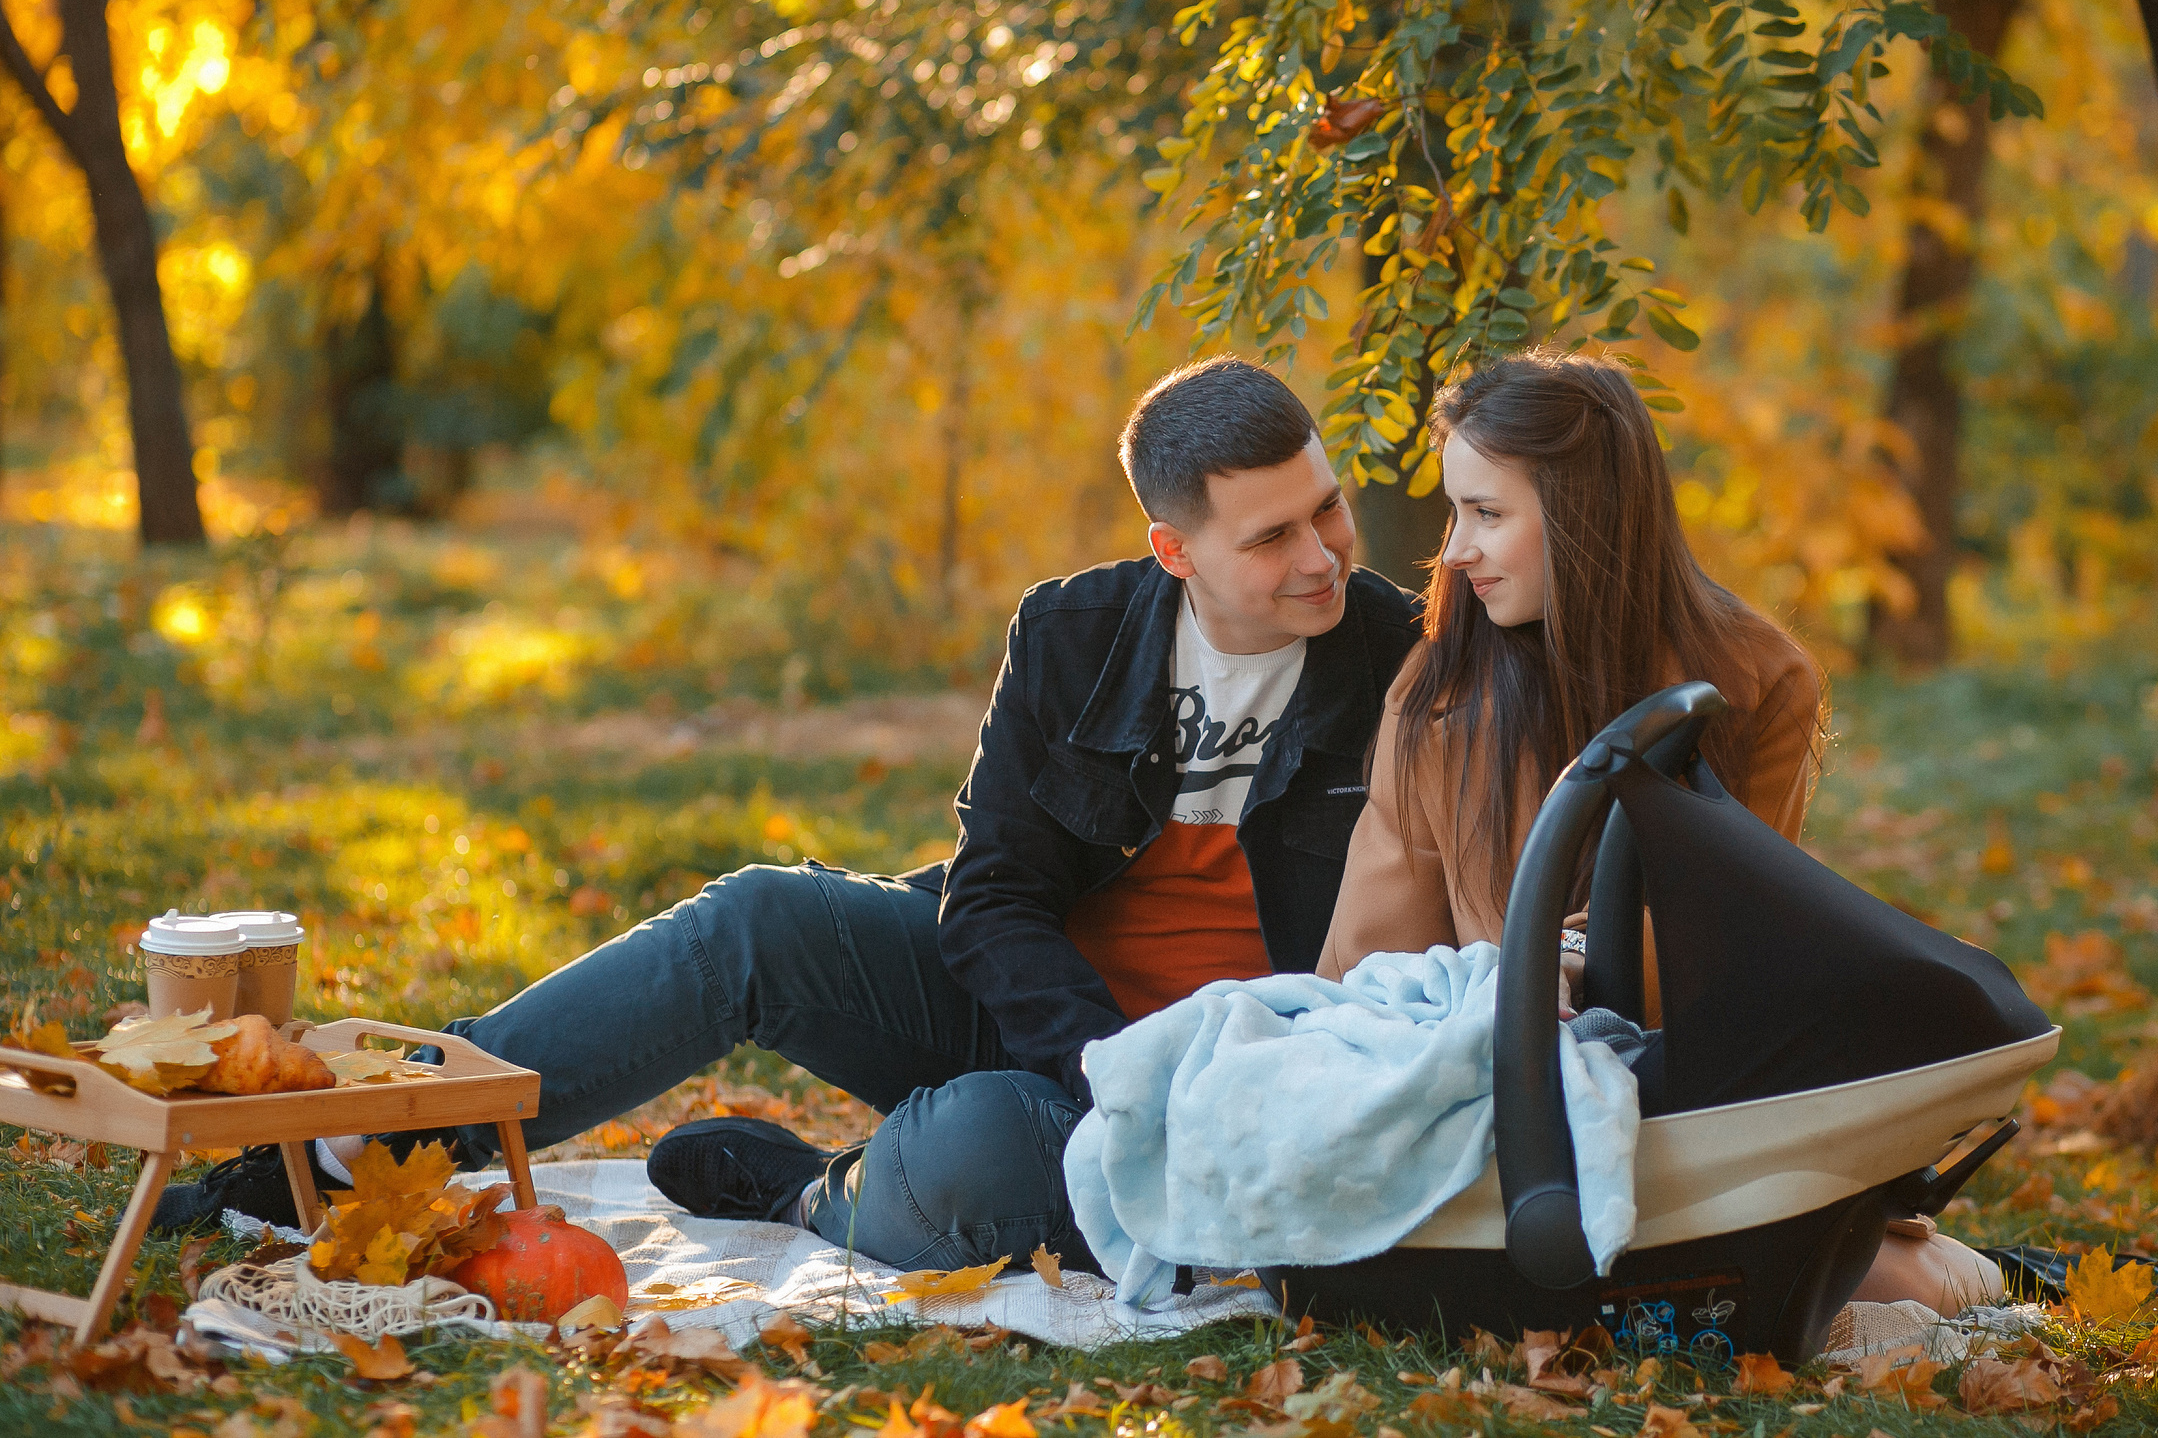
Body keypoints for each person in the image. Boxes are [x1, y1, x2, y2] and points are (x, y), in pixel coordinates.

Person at [155, 358, 1423, 1271]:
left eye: (1326, 508)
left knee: (979, 1145)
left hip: (1211, 1083)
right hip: (1047, 1032)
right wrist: (1096, 1065)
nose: (1321, 554)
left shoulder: (1401, 659)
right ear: (1175, 550)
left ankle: (815, 1194)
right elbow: (993, 898)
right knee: (753, 918)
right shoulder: (1073, 631)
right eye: (1271, 537)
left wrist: (1146, 1092)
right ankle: (350, 1150)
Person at [1314, 349, 2007, 1316]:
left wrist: (1553, 963)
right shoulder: (1436, 700)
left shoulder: (1753, 683)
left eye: (1487, 512)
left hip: (1691, 1101)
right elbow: (1368, 959)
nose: (1456, 549)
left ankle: (1957, 1263)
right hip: (1498, 1110)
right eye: (1453, 511)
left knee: (1910, 1282)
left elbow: (1719, 939)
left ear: (1582, 513)